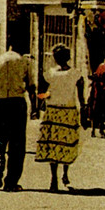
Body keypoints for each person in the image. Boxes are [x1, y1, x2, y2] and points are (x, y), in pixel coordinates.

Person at [0, 27, 37, 192]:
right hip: (17, 105)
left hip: (0, 104)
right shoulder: (25, 62)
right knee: (17, 144)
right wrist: (34, 108)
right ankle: (11, 181)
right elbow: (31, 86)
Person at [35, 45, 84, 192]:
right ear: (68, 57)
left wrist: (45, 99)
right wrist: (84, 110)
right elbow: (81, 97)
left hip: (53, 111)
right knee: (66, 143)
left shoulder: (49, 74)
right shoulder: (76, 74)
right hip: (69, 111)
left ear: (55, 59)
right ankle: (65, 174)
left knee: (54, 144)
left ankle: (54, 178)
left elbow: (41, 93)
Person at [88, 53, 105, 137]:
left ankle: (94, 131)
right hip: (101, 91)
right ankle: (99, 130)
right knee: (100, 111)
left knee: (96, 111)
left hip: (97, 90)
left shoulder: (103, 66)